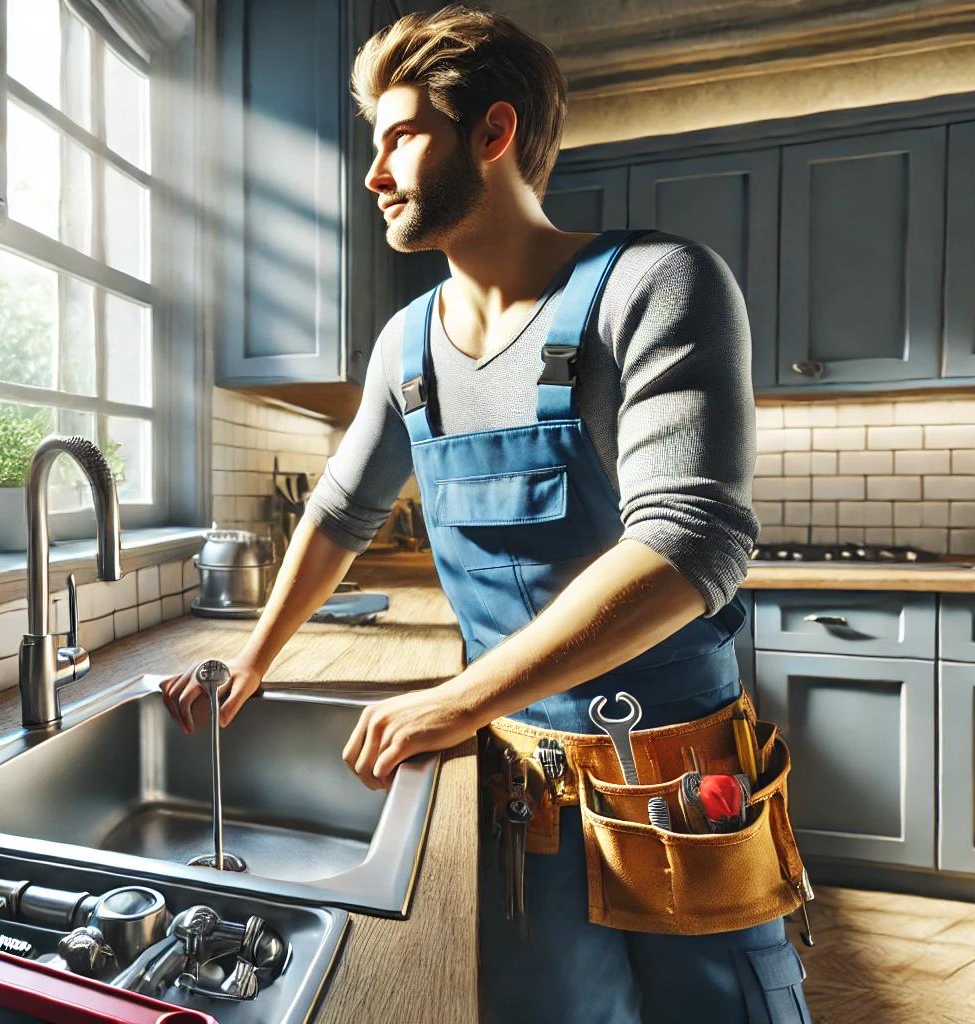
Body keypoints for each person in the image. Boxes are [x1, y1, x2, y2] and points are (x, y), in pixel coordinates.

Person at [159, 5, 811, 1022]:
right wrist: (256, 655)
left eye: (400, 135)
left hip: (676, 794)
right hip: (520, 798)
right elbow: (339, 510)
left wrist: (458, 699)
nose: (373, 174)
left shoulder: (655, 284)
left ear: (493, 134)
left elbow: (689, 543)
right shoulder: (402, 345)